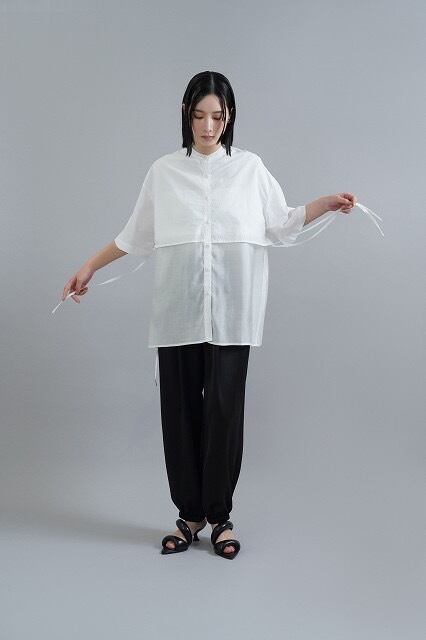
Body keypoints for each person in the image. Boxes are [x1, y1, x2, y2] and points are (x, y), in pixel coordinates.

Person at [61, 71, 359, 560]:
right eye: (199, 115)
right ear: (186, 115)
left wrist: (323, 204)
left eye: (217, 117)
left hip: (234, 313)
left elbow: (281, 222)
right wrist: (89, 266)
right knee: (179, 412)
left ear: (229, 117)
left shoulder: (249, 169)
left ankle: (220, 517)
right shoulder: (163, 172)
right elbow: (134, 235)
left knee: (224, 412)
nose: (207, 126)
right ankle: (189, 515)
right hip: (177, 311)